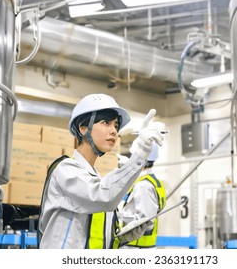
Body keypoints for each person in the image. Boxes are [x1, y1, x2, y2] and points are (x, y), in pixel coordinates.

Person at [37, 93, 164, 249]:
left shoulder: (95, 179)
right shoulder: (65, 170)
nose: (114, 131)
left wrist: (122, 236)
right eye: (105, 122)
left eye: (116, 126)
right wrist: (141, 153)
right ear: (83, 128)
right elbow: (103, 197)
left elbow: (91, 236)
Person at [118, 142, 167, 248]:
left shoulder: (143, 186)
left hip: (136, 247)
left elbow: (145, 222)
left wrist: (119, 215)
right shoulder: (150, 181)